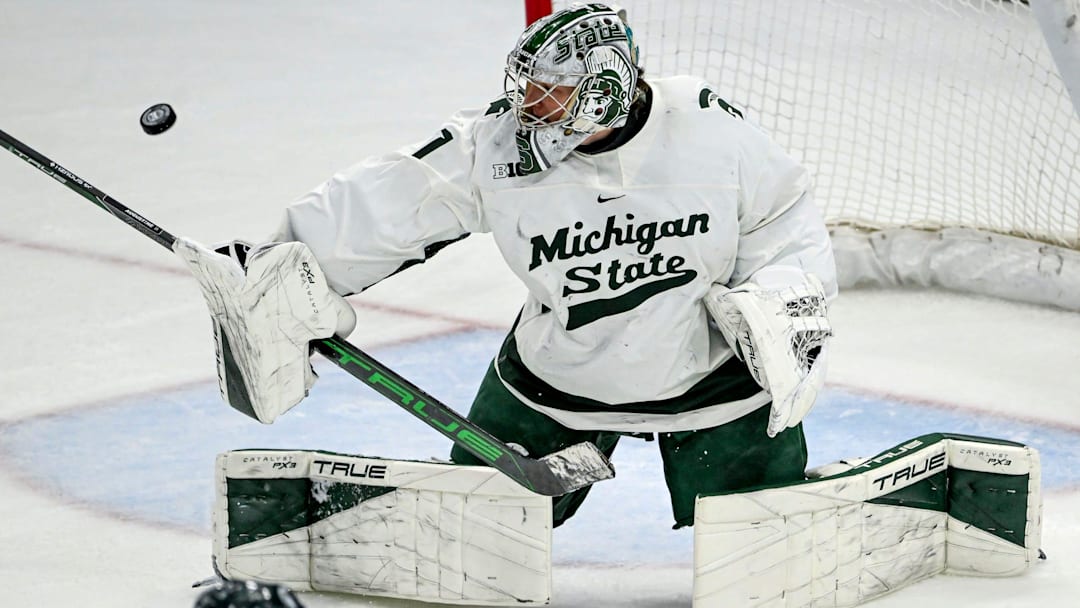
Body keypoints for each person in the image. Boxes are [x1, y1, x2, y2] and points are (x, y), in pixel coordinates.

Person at [180, 2, 837, 531]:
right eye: (525, 86)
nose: (528, 102)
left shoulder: (708, 131)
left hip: (712, 381)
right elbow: (397, 197)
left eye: (547, 91)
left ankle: (764, 500)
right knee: (481, 518)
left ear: (602, 91)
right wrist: (284, 259)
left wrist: (776, 305)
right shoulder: (499, 147)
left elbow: (784, 222)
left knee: (755, 523)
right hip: (560, 378)